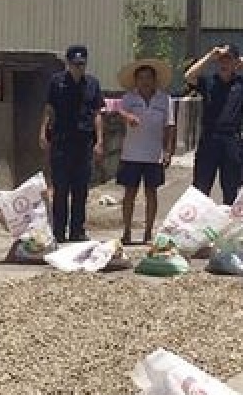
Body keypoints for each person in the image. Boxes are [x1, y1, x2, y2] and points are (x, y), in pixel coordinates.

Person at [183, 44, 243, 203]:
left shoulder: (241, 84)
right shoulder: (209, 82)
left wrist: (241, 60)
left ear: (235, 64)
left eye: (228, 60)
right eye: (222, 60)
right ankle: (199, 222)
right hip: (209, 138)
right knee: (201, 186)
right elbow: (189, 76)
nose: (224, 64)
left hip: (231, 140)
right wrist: (209, 56)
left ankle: (228, 222)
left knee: (231, 187)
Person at [39, 44, 105, 242]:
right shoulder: (57, 82)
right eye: (75, 64)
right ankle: (59, 231)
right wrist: (43, 131)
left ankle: (77, 230)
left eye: (82, 64)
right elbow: (49, 108)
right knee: (60, 188)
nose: (79, 68)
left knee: (81, 189)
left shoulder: (92, 84)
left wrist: (100, 141)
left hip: (83, 143)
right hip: (61, 141)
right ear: (68, 64)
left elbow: (97, 114)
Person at [114, 58, 176, 245]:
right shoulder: (129, 98)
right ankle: (126, 232)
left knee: (151, 193)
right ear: (136, 80)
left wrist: (168, 151)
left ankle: (148, 232)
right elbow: (119, 112)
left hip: (154, 154)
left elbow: (170, 126)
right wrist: (128, 116)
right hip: (131, 154)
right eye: (141, 78)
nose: (145, 81)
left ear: (154, 80)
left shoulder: (164, 99)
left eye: (148, 77)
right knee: (129, 194)